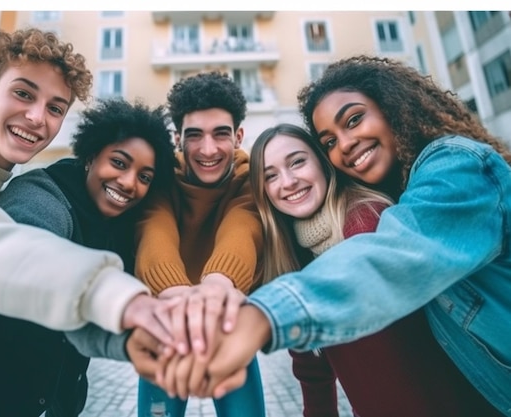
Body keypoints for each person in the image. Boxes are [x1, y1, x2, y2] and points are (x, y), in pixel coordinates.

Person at [189, 55, 511, 417]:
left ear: (392, 107)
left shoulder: (451, 168)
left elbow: (390, 258)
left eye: (354, 119)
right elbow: (315, 371)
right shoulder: (302, 245)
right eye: (329, 140)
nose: (345, 144)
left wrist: (265, 316)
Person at [0, 28, 175, 417]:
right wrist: (115, 297)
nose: (37, 117)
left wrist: (127, 337)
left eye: (55, 108)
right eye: (23, 93)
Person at [249, 123, 501, 416]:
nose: (288, 181)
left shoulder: (371, 220)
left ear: (321, 162)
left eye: (297, 162)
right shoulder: (292, 255)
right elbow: (312, 371)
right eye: (271, 176)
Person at [0, 98, 178, 417]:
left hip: (60, 401)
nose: (129, 183)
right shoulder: (42, 193)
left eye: (145, 177)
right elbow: (28, 249)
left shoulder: (123, 224)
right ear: (90, 156)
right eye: (119, 163)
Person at [134, 71, 266, 417]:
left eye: (220, 134)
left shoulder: (251, 178)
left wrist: (217, 286)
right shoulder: (161, 177)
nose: (208, 149)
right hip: (168, 319)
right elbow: (154, 227)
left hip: (226, 315)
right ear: (178, 139)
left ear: (238, 136)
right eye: (194, 136)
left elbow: (244, 225)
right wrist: (177, 294)